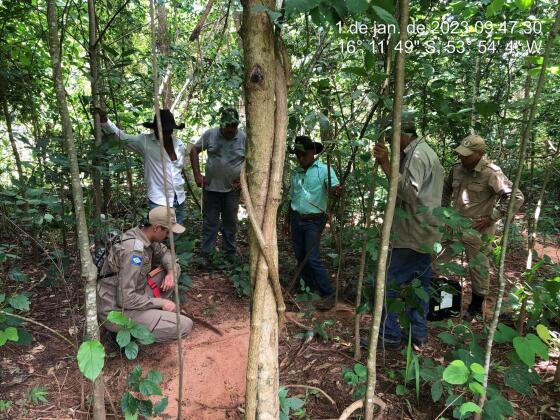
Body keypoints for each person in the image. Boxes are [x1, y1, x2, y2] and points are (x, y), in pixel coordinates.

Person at [373, 115, 444, 348]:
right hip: (425, 232)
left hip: (412, 233)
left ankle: (389, 334)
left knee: (387, 283)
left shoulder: (416, 155)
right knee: (420, 285)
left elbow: (409, 193)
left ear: (401, 134)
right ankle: (418, 334)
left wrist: (385, 163)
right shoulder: (425, 152)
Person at [439, 134, 524, 319]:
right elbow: (445, 188)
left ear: (480, 154)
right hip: (453, 226)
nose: (462, 158)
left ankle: (475, 307)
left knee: (478, 269)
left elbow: (515, 196)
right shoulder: (457, 169)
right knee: (441, 264)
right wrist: (444, 211)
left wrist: (492, 217)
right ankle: (444, 306)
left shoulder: (491, 173)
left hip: (477, 230)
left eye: (467, 155)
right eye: (461, 153)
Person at [97, 206, 193, 342]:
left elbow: (166, 253)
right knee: (184, 325)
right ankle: (127, 334)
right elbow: (125, 299)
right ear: (157, 228)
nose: (168, 236)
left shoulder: (144, 235)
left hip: (135, 293)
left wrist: (170, 273)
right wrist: (161, 302)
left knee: (174, 268)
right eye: (167, 232)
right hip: (118, 310)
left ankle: (151, 315)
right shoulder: (133, 252)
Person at [283, 135, 343, 309]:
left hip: (314, 221)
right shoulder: (296, 172)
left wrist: (336, 190)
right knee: (300, 255)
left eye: (303, 155)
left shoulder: (325, 170)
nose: (300, 158)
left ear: (312, 152)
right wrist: (287, 220)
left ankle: (329, 293)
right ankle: (307, 287)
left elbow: (333, 189)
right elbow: (292, 197)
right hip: (296, 219)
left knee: (312, 258)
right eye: (297, 155)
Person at [99, 109, 187, 224]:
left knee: (177, 233)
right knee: (160, 237)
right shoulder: (145, 141)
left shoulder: (179, 144)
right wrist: (105, 122)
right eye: (163, 130)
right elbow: (122, 138)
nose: (166, 134)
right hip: (159, 200)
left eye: (168, 130)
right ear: (155, 129)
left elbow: (177, 170)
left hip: (179, 198)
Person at [190, 107, 246, 260]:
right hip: (211, 188)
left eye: (233, 126)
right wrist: (197, 175)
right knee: (210, 222)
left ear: (237, 125)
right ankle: (207, 254)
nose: (230, 129)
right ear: (221, 124)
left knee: (230, 222)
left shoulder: (243, 138)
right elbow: (194, 150)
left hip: (231, 190)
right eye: (227, 126)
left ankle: (229, 254)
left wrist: (244, 180)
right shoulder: (211, 134)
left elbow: (253, 161)